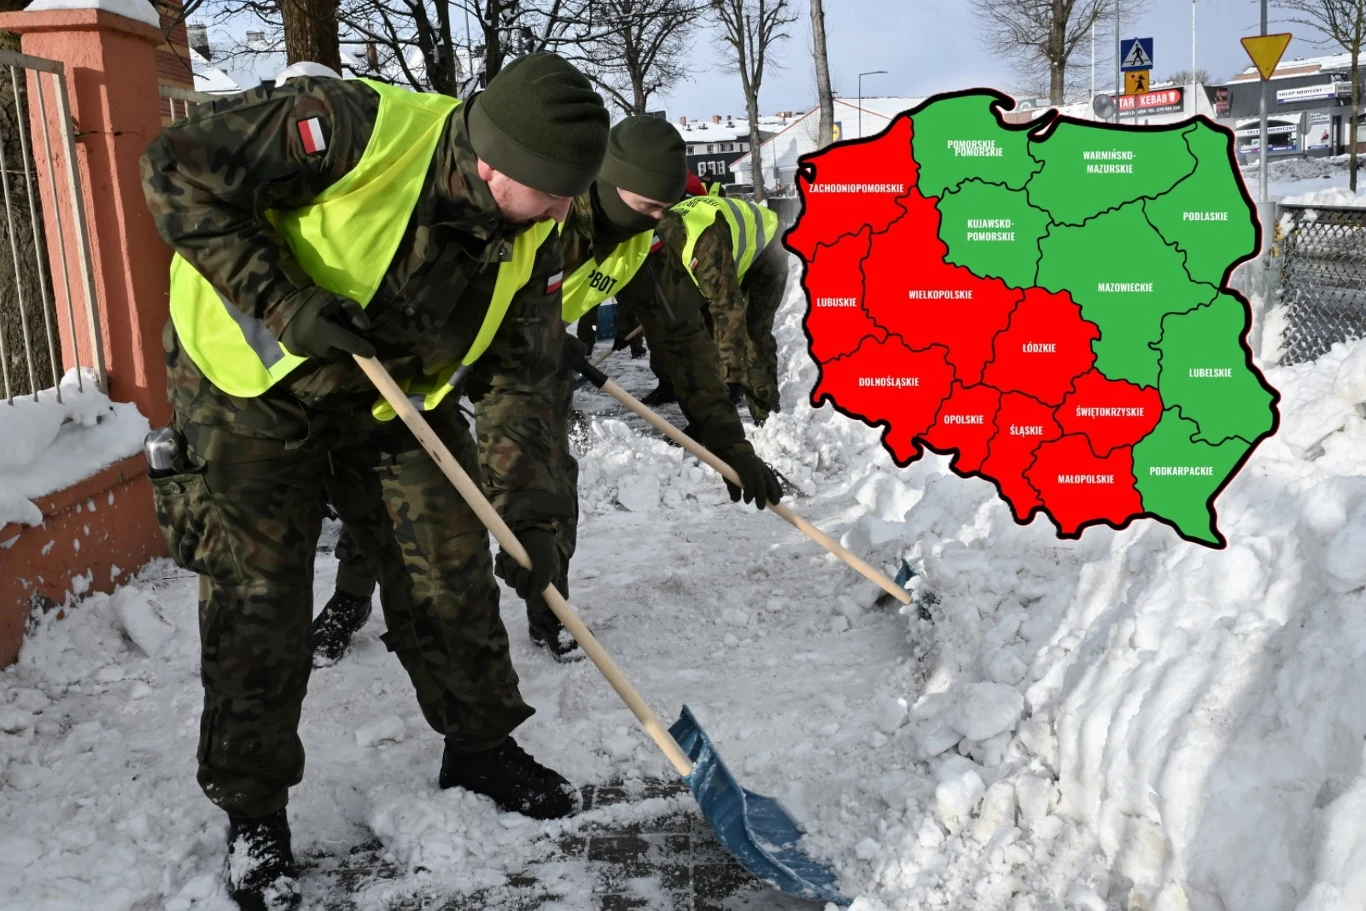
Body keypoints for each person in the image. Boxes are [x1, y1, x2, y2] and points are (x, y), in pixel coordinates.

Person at [140, 52, 610, 911]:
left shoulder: (530, 226)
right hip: (249, 388)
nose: (566, 209)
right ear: (493, 164)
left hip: (387, 399)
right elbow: (176, 167)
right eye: (553, 190)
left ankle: (479, 745)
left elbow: (522, 376)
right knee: (261, 600)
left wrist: (534, 520)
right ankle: (254, 813)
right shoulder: (351, 128)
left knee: (449, 560)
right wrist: (281, 300)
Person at [520, 115, 783, 660]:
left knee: (547, 485)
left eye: (667, 208)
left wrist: (727, 438)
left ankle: (550, 611)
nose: (663, 221)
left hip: (528, 361)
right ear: (613, 183)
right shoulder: (550, 211)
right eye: (651, 207)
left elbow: (686, 344)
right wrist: (535, 328)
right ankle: (360, 594)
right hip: (449, 348)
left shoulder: (643, 238)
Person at [625, 194, 785, 425]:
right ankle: (710, 416)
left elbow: (727, 312)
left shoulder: (702, 247)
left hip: (768, 250)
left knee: (751, 336)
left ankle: (768, 419)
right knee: (702, 335)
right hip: (726, 253)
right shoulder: (652, 245)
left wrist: (729, 381)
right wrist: (627, 328)